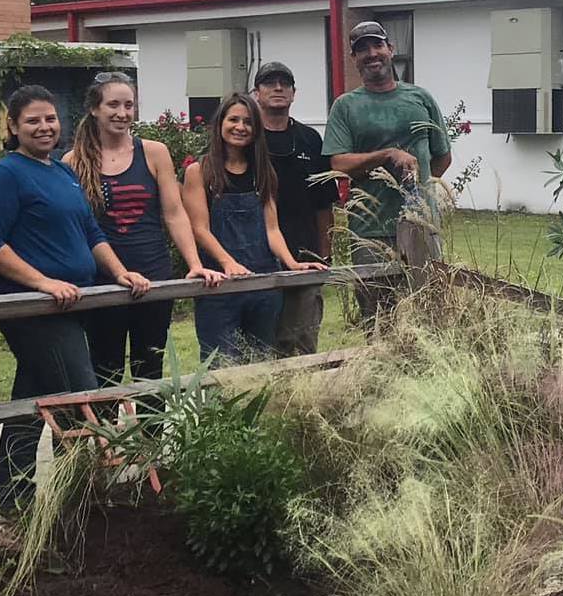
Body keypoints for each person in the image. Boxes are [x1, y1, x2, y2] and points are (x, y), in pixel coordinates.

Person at [0, 85, 151, 510]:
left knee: (32, 398)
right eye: (32, 120)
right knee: (79, 399)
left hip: (72, 306)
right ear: (13, 127)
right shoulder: (8, 174)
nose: (44, 127)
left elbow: (90, 232)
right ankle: (81, 494)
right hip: (37, 310)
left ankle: (13, 492)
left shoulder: (62, 171)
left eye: (50, 118)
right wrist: (41, 282)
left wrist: (120, 271)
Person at [62, 71, 219, 386]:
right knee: (105, 369)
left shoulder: (154, 152)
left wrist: (194, 264)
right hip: (102, 278)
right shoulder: (73, 161)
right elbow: (77, 227)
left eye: (129, 105)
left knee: (151, 366)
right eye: (113, 105)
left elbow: (173, 213)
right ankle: (104, 436)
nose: (122, 113)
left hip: (153, 273)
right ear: (94, 108)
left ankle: (150, 437)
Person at [182, 92, 327, 362]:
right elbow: (199, 229)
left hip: (263, 285)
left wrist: (293, 264)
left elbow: (271, 229)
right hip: (219, 288)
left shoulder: (264, 171)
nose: (240, 127)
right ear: (220, 123)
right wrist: (228, 263)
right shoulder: (199, 171)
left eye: (248, 122)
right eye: (233, 119)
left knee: (261, 364)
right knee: (220, 366)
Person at [321, 20, 452, 320]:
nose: (372, 54)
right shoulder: (346, 106)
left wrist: (419, 191)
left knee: (429, 311)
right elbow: (338, 163)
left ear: (391, 50)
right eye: (362, 49)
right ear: (354, 59)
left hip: (421, 225)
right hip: (370, 231)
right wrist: (386, 156)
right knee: (378, 316)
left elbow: (442, 158)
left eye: (377, 45)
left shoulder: (420, 98)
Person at [253, 61, 340, 356]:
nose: (278, 88)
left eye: (284, 83)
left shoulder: (310, 139)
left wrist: (325, 251)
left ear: (293, 94)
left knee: (302, 339)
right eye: (269, 83)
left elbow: (324, 202)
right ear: (256, 93)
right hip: (255, 255)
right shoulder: (244, 138)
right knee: (262, 340)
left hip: (305, 251)